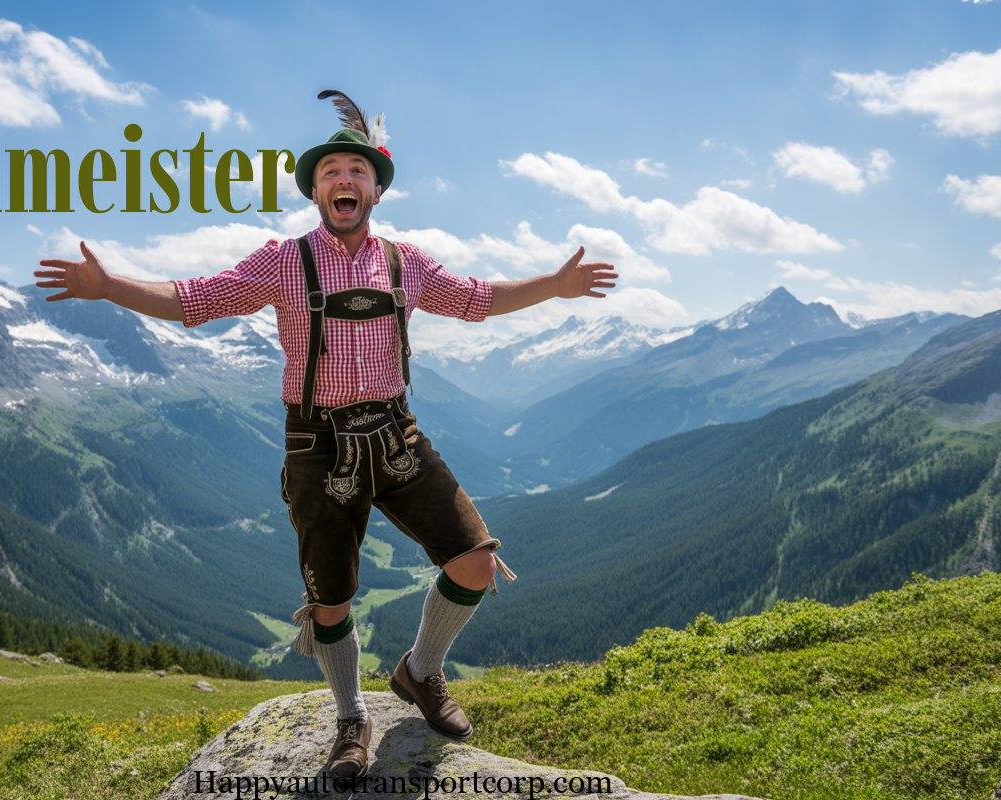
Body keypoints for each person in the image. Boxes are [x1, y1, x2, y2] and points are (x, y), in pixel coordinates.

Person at [35, 91, 617, 779]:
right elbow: (195, 300)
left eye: (358, 171)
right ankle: (351, 717)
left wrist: (554, 284)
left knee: (474, 562)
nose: (345, 180)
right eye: (332, 171)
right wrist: (112, 288)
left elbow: (477, 301)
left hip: (398, 435)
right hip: (318, 445)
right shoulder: (282, 261)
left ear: (376, 188)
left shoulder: (407, 263)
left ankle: (419, 673)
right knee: (331, 601)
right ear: (315, 189)